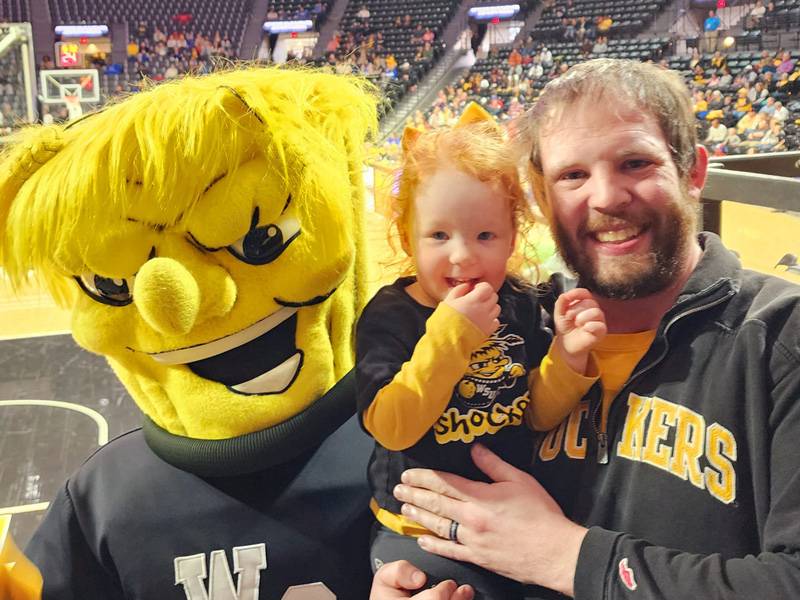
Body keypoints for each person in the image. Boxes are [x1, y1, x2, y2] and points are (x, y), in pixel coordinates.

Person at [372, 58, 800, 599]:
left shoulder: (780, 338)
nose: (605, 197)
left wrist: (565, 555)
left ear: (693, 172)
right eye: (573, 175)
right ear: (543, 198)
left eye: (635, 163)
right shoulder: (519, 321)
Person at [1, 67, 380, 599]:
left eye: (261, 237)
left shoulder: (415, 440)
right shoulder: (104, 501)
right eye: (112, 283)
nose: (177, 306)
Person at [358, 104, 606, 599]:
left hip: (511, 522)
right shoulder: (390, 315)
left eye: (485, 235)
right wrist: (452, 335)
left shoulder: (521, 303)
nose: (463, 255)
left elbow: (532, 412)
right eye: (439, 235)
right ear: (407, 236)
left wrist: (569, 357)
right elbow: (392, 425)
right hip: (419, 528)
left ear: (513, 237)